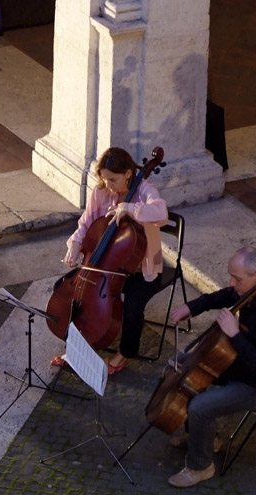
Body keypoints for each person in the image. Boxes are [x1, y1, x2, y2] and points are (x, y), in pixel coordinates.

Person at [165, 246, 256, 488]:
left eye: (237, 278)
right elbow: (224, 295)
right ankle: (203, 436)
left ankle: (200, 467)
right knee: (181, 365)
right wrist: (191, 307)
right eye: (231, 276)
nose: (232, 282)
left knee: (199, 407)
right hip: (239, 365)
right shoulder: (252, 290)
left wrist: (234, 334)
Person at [50, 146, 168, 374]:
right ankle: (76, 347)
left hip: (142, 268)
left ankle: (124, 354)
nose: (108, 185)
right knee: (66, 291)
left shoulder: (145, 190)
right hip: (103, 265)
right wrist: (75, 243)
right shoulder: (101, 191)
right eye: (104, 179)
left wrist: (131, 208)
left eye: (113, 180)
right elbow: (86, 223)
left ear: (128, 174)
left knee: (133, 308)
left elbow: (161, 213)